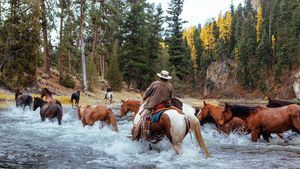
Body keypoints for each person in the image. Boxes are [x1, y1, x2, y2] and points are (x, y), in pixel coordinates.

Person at [132, 70, 174, 141]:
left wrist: (144, 98)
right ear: (167, 78)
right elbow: (171, 98)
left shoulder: (154, 84)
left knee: (141, 116)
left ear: (160, 77)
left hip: (153, 105)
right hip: (166, 107)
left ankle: (135, 135)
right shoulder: (170, 86)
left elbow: (147, 93)